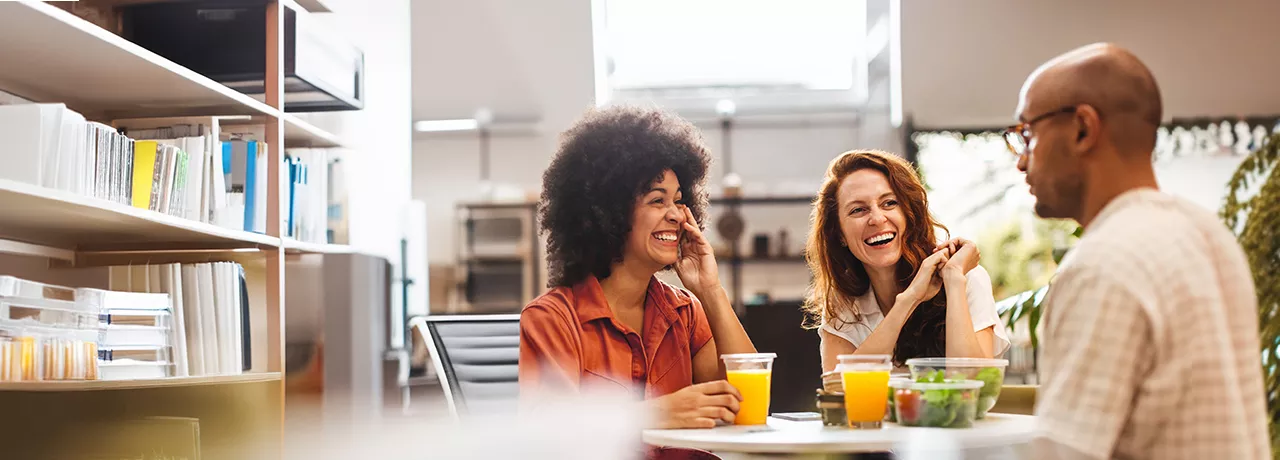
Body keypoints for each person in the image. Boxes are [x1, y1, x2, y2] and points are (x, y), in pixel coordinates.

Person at [1010, 43, 1269, 460]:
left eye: (1027, 134)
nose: (1021, 162)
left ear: (1082, 128)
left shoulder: (1103, 264)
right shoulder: (1209, 235)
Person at [518, 105, 758, 430]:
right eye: (657, 200)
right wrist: (653, 415)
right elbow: (547, 435)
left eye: (678, 200)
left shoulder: (685, 312)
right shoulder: (554, 320)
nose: (676, 214)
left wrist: (710, 290)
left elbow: (748, 410)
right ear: (608, 212)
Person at [804, 150, 1010, 372]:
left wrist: (954, 281)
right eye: (858, 210)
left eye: (889, 203)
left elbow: (974, 384)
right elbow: (838, 393)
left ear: (909, 215)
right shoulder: (842, 302)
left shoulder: (964, 276)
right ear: (840, 234)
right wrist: (909, 299)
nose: (877, 218)